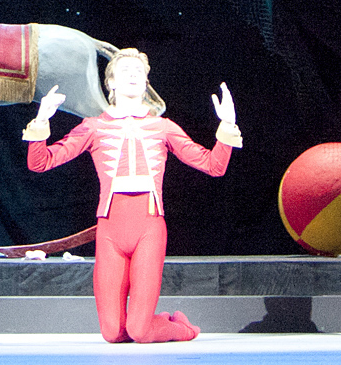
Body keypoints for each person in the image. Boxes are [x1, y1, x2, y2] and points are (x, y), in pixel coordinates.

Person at [22, 49, 239, 344]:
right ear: (110, 82)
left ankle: (182, 328)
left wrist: (227, 125)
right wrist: (41, 119)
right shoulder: (93, 127)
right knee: (113, 333)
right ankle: (155, 322)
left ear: (146, 82)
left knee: (138, 331)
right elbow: (40, 162)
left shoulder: (164, 127)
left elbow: (213, 166)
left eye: (139, 71)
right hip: (110, 233)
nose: (133, 75)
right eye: (125, 70)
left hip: (149, 229)